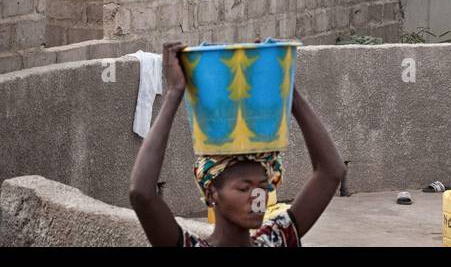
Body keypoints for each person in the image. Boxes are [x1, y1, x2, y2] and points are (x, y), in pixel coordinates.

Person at [129, 42, 346, 246]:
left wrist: (286, 88)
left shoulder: (275, 240)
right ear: (212, 193)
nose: (258, 197)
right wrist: (174, 92)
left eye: (263, 185)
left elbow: (332, 171)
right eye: (244, 188)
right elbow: (141, 194)